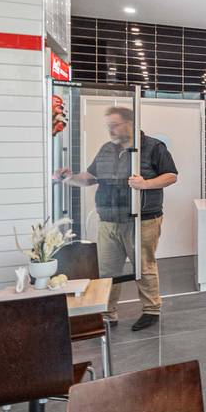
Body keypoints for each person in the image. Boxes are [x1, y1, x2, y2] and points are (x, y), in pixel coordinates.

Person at [55, 106, 178, 331]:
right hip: (108, 219)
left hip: (142, 220)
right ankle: (107, 313)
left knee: (144, 266)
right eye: (108, 126)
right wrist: (69, 178)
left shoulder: (153, 147)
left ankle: (151, 310)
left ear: (130, 123)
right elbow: (90, 177)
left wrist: (145, 184)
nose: (110, 130)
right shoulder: (106, 149)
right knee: (107, 270)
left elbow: (171, 176)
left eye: (114, 125)